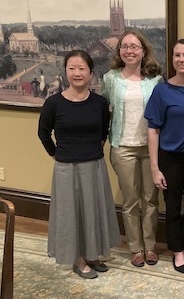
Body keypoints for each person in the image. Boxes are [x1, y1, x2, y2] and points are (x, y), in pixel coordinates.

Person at [37, 50, 121, 279]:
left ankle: (93, 254)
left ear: (91, 73)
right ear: (65, 72)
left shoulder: (100, 103)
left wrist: (92, 150)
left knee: (93, 212)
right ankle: (78, 259)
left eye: (82, 68)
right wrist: (57, 154)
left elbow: (104, 131)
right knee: (71, 215)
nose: (77, 73)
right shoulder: (54, 103)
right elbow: (43, 134)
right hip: (67, 168)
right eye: (72, 68)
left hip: (94, 165)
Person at [145, 39, 184, 274]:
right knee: (173, 207)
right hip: (169, 158)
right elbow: (153, 130)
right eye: (177, 55)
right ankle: (177, 251)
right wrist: (155, 168)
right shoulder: (162, 90)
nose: (181, 60)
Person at [101, 30, 163, 267]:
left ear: (143, 50)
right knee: (130, 201)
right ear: (119, 51)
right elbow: (102, 110)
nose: (129, 50)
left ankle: (150, 246)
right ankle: (135, 248)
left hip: (150, 149)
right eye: (124, 46)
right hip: (123, 147)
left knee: (150, 199)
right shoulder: (110, 78)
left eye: (134, 46)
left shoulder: (155, 80)